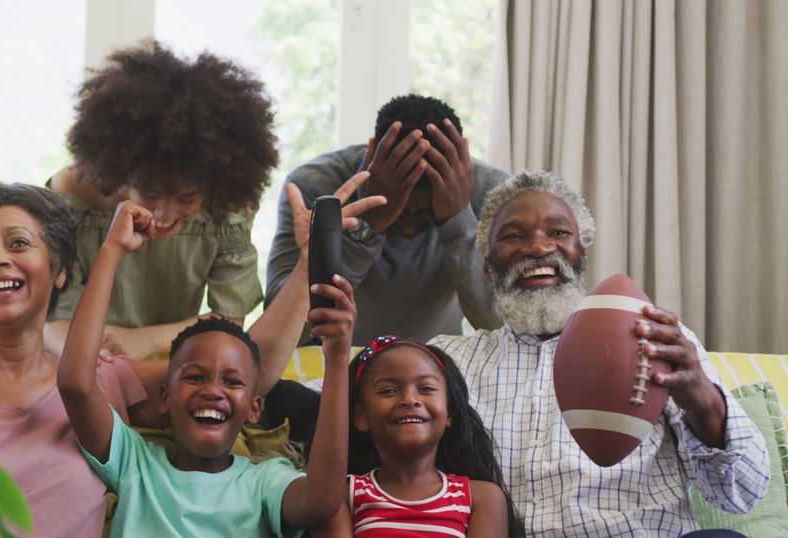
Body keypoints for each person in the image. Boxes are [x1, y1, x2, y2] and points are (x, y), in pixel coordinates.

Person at [0, 176, 379, 536]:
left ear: (59, 272)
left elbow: (243, 370)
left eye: (17, 243)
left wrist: (310, 263)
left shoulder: (105, 381)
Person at [428, 170, 770, 535]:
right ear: (487, 267)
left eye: (558, 232)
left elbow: (741, 493)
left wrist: (701, 397)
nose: (538, 248)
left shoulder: (655, 338)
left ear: (581, 255)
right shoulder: (449, 361)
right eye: (514, 236)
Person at [57, 198, 356, 537]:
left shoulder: (266, 479)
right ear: (164, 398)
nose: (212, 390)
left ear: (254, 407)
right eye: (195, 377)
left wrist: (336, 356)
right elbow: (76, 385)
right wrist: (112, 249)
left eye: (232, 382)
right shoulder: (133, 462)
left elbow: (323, 500)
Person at [45, 39, 280, 359]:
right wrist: (96, 362)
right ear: (121, 173)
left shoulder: (226, 209)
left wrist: (144, 341)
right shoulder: (75, 193)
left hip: (175, 363)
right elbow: (54, 318)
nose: (164, 213)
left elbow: (230, 317)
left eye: (187, 198)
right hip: (78, 360)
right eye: (150, 194)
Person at [267, 94, 509, 346]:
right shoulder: (315, 186)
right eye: (400, 211)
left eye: (428, 213)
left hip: (434, 366)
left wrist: (458, 221)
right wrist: (365, 226)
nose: (409, 225)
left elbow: (497, 323)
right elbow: (280, 327)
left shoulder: (493, 193)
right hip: (326, 364)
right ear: (371, 153)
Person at [313, 335, 519, 537]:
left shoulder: (482, 498)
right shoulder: (341, 496)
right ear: (360, 417)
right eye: (388, 391)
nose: (410, 400)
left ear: (449, 412)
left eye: (426, 388)